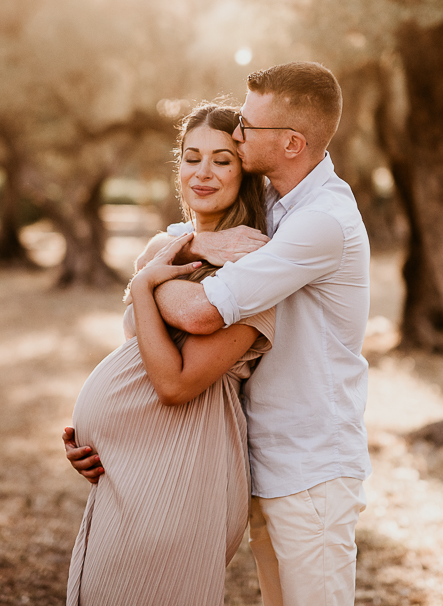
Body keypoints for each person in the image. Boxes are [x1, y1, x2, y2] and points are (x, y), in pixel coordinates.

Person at [66, 61, 371, 606]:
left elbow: (205, 313)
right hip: (255, 454)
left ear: (292, 143)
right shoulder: (270, 213)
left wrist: (145, 282)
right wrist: (186, 250)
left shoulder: (316, 222)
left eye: (244, 133)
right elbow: (176, 248)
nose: (237, 133)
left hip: (308, 463)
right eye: (193, 157)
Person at [65, 104, 275, 606]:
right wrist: (101, 433)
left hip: (183, 474)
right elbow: (141, 359)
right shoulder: (172, 245)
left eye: (222, 160)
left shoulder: (259, 263)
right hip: (122, 470)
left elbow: (175, 384)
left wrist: (143, 285)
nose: (202, 173)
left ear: (246, 172)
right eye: (191, 157)